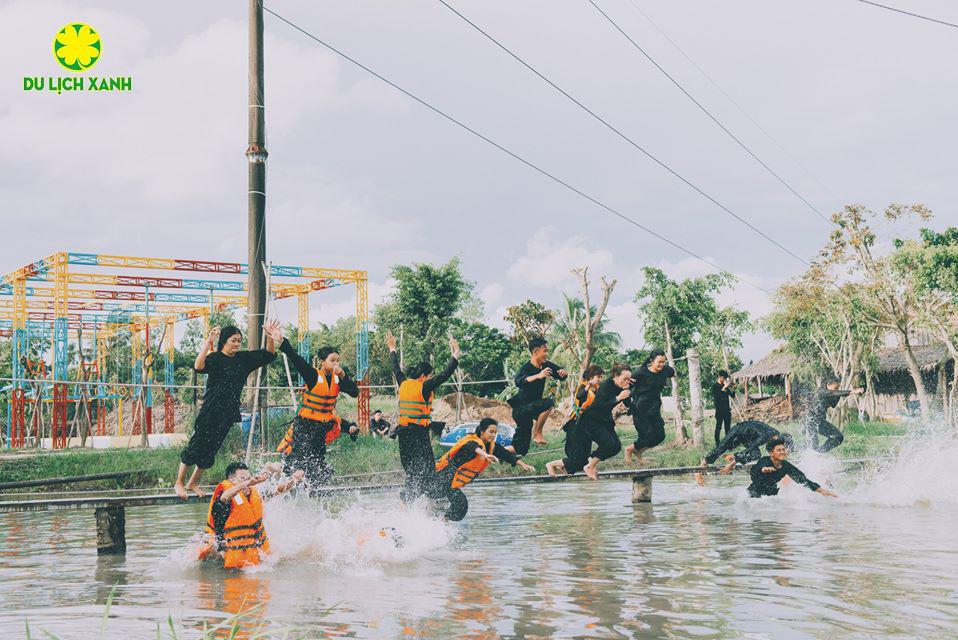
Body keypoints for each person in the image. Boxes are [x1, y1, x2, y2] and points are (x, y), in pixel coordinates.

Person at [174, 322, 279, 499]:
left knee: (211, 450)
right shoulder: (215, 358)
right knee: (196, 446)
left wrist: (269, 336)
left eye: (239, 341)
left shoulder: (243, 359)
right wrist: (208, 342)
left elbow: (269, 355)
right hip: (211, 410)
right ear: (224, 341)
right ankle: (179, 482)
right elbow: (198, 367)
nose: (237, 344)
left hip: (228, 413)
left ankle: (193, 483)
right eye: (233, 340)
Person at [274, 337, 360, 486]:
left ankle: (312, 494)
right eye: (332, 360)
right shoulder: (313, 375)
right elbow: (295, 358)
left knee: (317, 462)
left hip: (320, 428)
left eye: (338, 361)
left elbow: (354, 392)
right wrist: (282, 341)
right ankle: (281, 480)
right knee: (300, 460)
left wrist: (343, 375)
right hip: (305, 425)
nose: (336, 364)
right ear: (322, 361)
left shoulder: (338, 379)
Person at [387, 330, 460, 503]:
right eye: (429, 376)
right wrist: (455, 355)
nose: (431, 379)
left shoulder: (403, 383)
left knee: (412, 471)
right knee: (427, 469)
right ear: (423, 377)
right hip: (418, 435)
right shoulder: (424, 387)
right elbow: (444, 375)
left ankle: (407, 503)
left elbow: (395, 367)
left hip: (404, 435)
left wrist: (392, 348)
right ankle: (420, 502)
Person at [198, 461, 303, 569]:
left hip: (248, 548)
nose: (248, 482)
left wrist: (292, 481)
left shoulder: (253, 493)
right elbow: (224, 497)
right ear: (232, 480)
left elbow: (276, 491)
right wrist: (246, 483)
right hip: (220, 550)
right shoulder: (225, 496)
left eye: (249, 478)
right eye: (243, 479)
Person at [432, 418, 535, 520]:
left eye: (495, 432)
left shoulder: (490, 446)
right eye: (491, 432)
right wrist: (485, 455)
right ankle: (434, 519)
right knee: (446, 500)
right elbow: (472, 447)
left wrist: (522, 464)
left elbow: (506, 454)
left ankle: (440, 523)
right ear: (482, 431)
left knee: (460, 507)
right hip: (442, 477)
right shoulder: (471, 440)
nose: (493, 435)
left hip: (451, 482)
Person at [548, 364, 632, 480]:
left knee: (616, 446)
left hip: (604, 421)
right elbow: (599, 406)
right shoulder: (605, 386)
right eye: (624, 379)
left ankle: (587, 464)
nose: (627, 381)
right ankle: (588, 466)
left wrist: (628, 390)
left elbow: (627, 403)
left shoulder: (621, 386)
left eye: (629, 379)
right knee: (585, 454)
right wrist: (618, 398)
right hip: (589, 420)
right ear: (616, 376)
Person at [507, 336, 568, 455]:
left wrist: (563, 373)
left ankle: (494, 454)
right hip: (521, 409)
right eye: (544, 351)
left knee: (520, 449)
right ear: (535, 352)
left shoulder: (546, 365)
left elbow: (560, 375)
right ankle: (537, 433)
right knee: (548, 403)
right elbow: (518, 382)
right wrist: (538, 376)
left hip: (532, 408)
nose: (547, 354)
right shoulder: (526, 368)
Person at [695, 420, 793, 485]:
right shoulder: (766, 436)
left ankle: (732, 456)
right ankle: (699, 470)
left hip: (748, 436)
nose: (780, 450)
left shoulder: (775, 436)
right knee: (721, 448)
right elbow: (748, 450)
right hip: (739, 430)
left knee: (756, 455)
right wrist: (730, 466)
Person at [547, 365, 603, 477]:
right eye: (598, 377)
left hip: (586, 427)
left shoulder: (597, 390)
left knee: (584, 457)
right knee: (577, 457)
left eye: (601, 377)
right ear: (591, 377)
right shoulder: (583, 388)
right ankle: (551, 464)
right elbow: (579, 396)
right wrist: (588, 386)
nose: (600, 379)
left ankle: (565, 469)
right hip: (576, 426)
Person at [624, 350, 675, 465]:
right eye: (659, 362)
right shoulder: (640, 374)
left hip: (655, 409)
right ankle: (629, 450)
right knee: (647, 436)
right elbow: (625, 386)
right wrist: (627, 403)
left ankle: (639, 452)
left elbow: (672, 373)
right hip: (640, 409)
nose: (662, 364)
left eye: (663, 362)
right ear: (651, 361)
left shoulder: (666, 370)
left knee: (660, 436)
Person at [747, 436, 837, 499]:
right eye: (779, 450)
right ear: (771, 453)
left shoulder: (786, 466)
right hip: (753, 494)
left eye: (783, 449)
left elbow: (803, 480)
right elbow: (758, 467)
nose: (782, 452)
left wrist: (822, 491)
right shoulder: (765, 460)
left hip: (771, 495)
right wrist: (764, 469)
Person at [807, 377, 864, 453]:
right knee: (813, 447)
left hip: (820, 422)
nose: (837, 390)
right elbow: (833, 393)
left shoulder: (828, 394)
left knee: (838, 437)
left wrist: (840, 395)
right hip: (811, 422)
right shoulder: (821, 392)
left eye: (838, 388)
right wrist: (853, 391)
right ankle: (809, 455)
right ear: (828, 385)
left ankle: (820, 453)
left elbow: (833, 404)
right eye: (835, 388)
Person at [711, 370, 736, 445]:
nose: (724, 380)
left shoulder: (724, 386)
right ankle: (717, 444)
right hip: (719, 411)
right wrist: (724, 388)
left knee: (728, 428)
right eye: (724, 378)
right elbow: (718, 397)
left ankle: (728, 444)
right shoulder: (715, 386)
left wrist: (734, 389)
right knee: (718, 427)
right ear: (721, 377)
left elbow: (732, 396)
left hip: (727, 411)